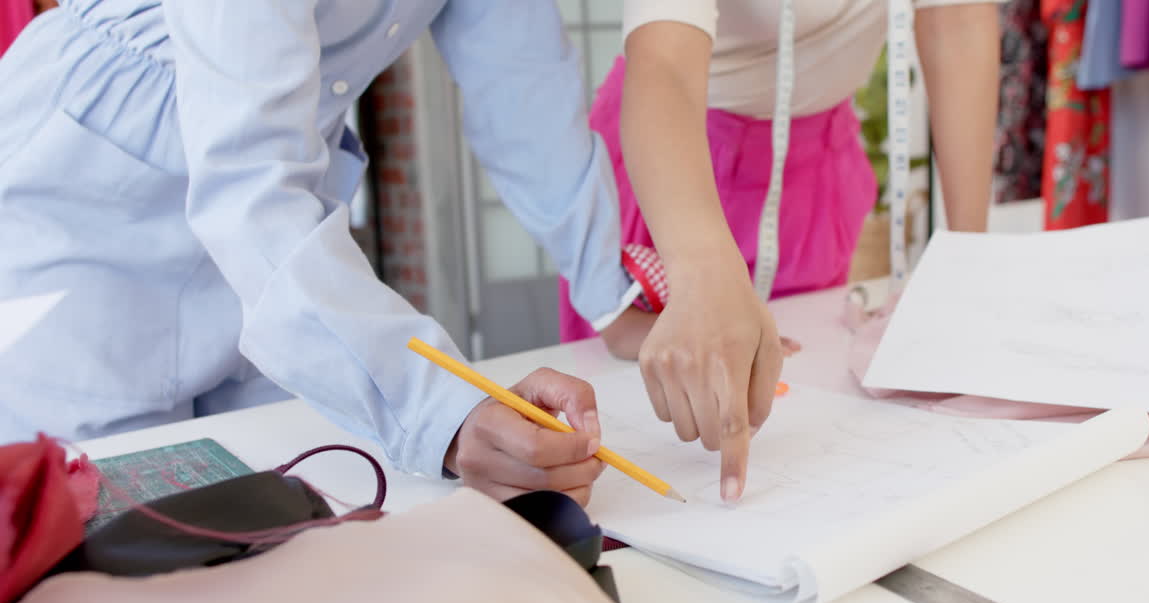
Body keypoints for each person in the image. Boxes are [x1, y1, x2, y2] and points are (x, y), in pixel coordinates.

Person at [0, 0, 780, 506]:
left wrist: (619, 293)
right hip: (78, 222)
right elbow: (247, 189)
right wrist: (441, 408)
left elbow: (525, 98)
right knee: (100, 570)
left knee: (300, 527)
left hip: (266, 250)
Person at [564, 0, 1001, 382]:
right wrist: (701, 280)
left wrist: (967, 260)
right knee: (652, 408)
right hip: (675, 164)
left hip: (815, 170)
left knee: (810, 403)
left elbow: (958, 21)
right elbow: (666, 64)